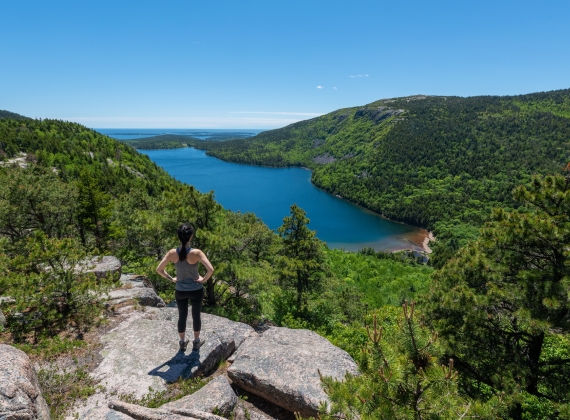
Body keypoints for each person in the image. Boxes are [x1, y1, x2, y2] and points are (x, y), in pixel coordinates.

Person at [156, 223, 214, 352]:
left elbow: (159, 269)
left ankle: (182, 343)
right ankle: (196, 342)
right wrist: (202, 280)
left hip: (180, 290)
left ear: (179, 237)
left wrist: (172, 279)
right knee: (196, 315)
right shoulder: (196, 253)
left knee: (182, 316)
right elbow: (210, 270)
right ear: (190, 237)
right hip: (196, 289)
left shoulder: (172, 253)